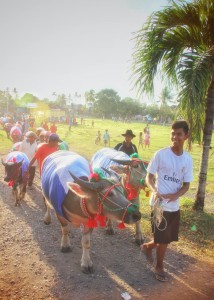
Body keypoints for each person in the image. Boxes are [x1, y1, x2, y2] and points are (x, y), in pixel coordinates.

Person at [141, 120, 193, 282]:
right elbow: (148, 177)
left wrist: (176, 195)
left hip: (174, 206)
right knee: (163, 240)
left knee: (166, 238)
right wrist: (155, 190)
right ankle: (159, 267)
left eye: (179, 134)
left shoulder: (187, 160)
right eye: (173, 133)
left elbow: (186, 185)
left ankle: (147, 247)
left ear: (186, 136)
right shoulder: (161, 154)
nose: (175, 137)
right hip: (159, 205)